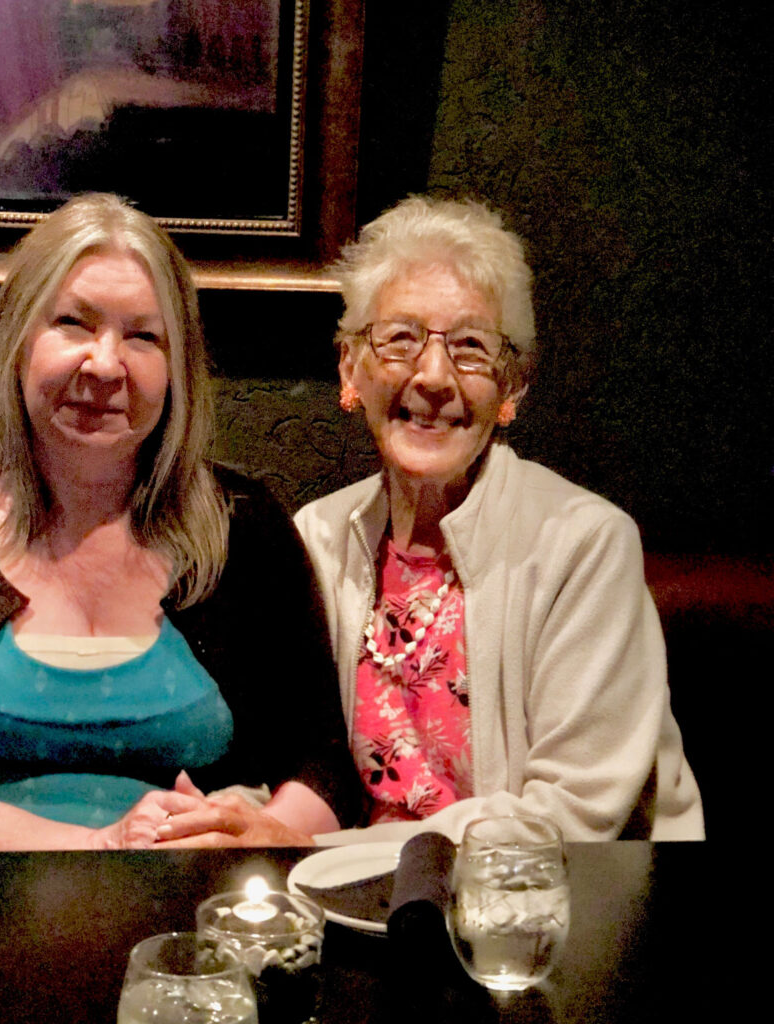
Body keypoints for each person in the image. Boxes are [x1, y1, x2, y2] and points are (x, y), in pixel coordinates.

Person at [0, 193, 358, 852]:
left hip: (190, 925)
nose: (106, 365)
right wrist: (101, 846)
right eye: (74, 324)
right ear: (18, 341)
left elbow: (323, 765)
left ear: (176, 370)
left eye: (143, 336)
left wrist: (261, 834)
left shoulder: (245, 526)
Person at [292, 196, 704, 843]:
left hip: (560, 909)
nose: (433, 376)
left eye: (471, 348)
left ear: (509, 389)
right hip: (368, 909)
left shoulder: (584, 544)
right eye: (400, 339)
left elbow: (573, 814)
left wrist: (340, 852)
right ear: (351, 369)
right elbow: (295, 764)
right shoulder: (314, 539)